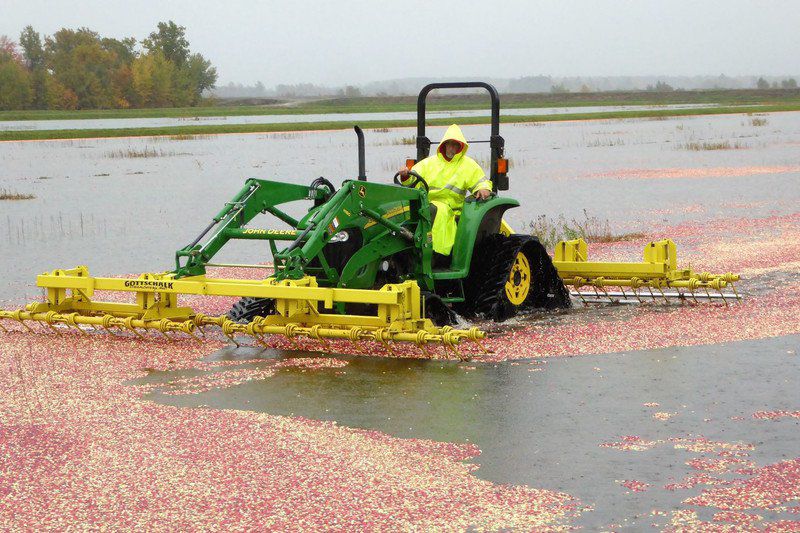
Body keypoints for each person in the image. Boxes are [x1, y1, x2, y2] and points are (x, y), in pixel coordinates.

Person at [397, 124, 492, 259]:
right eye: (450, 144)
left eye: (455, 145)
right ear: (444, 145)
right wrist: (405, 174)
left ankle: (433, 254)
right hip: (426, 205)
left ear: (460, 147)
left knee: (434, 211)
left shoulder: (468, 165)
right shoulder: (429, 163)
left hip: (452, 210)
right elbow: (411, 180)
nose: (452, 148)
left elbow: (480, 181)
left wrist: (483, 188)